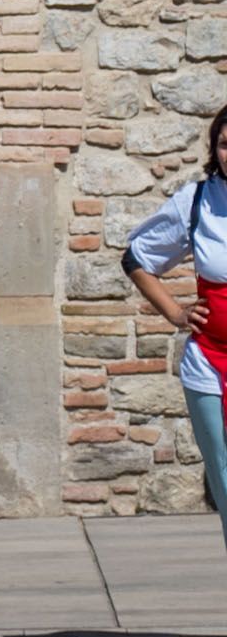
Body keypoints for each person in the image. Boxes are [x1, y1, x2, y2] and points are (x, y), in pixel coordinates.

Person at [122, 106, 227, 564]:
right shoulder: (198, 201)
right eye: (225, 143)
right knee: (226, 483)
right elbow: (137, 257)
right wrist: (175, 312)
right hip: (210, 363)